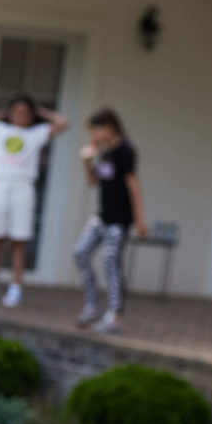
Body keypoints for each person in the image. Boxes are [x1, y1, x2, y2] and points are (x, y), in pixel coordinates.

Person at [0, 95, 70, 308]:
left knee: (18, 239)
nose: (20, 116)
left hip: (23, 187)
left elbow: (63, 123)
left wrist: (42, 111)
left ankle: (15, 287)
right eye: (17, 111)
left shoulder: (35, 134)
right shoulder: (0, 129)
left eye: (25, 112)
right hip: (0, 184)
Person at [75, 107, 147, 333]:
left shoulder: (125, 151)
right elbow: (94, 181)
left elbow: (133, 185)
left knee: (111, 262)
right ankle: (91, 307)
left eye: (94, 131)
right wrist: (87, 161)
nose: (92, 136)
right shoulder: (104, 152)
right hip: (102, 217)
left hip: (119, 220)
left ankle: (115, 316)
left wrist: (140, 220)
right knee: (81, 253)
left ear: (108, 127)